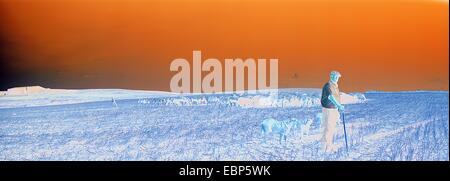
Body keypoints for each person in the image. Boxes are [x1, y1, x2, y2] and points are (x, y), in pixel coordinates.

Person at [320, 71, 345, 152]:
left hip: (333, 109)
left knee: (331, 129)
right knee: (328, 128)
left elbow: (336, 97)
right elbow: (331, 97)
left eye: (337, 77)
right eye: (336, 77)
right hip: (329, 110)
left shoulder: (335, 86)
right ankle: (325, 148)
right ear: (332, 77)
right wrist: (339, 105)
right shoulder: (328, 85)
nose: (337, 79)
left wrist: (339, 106)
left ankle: (329, 146)